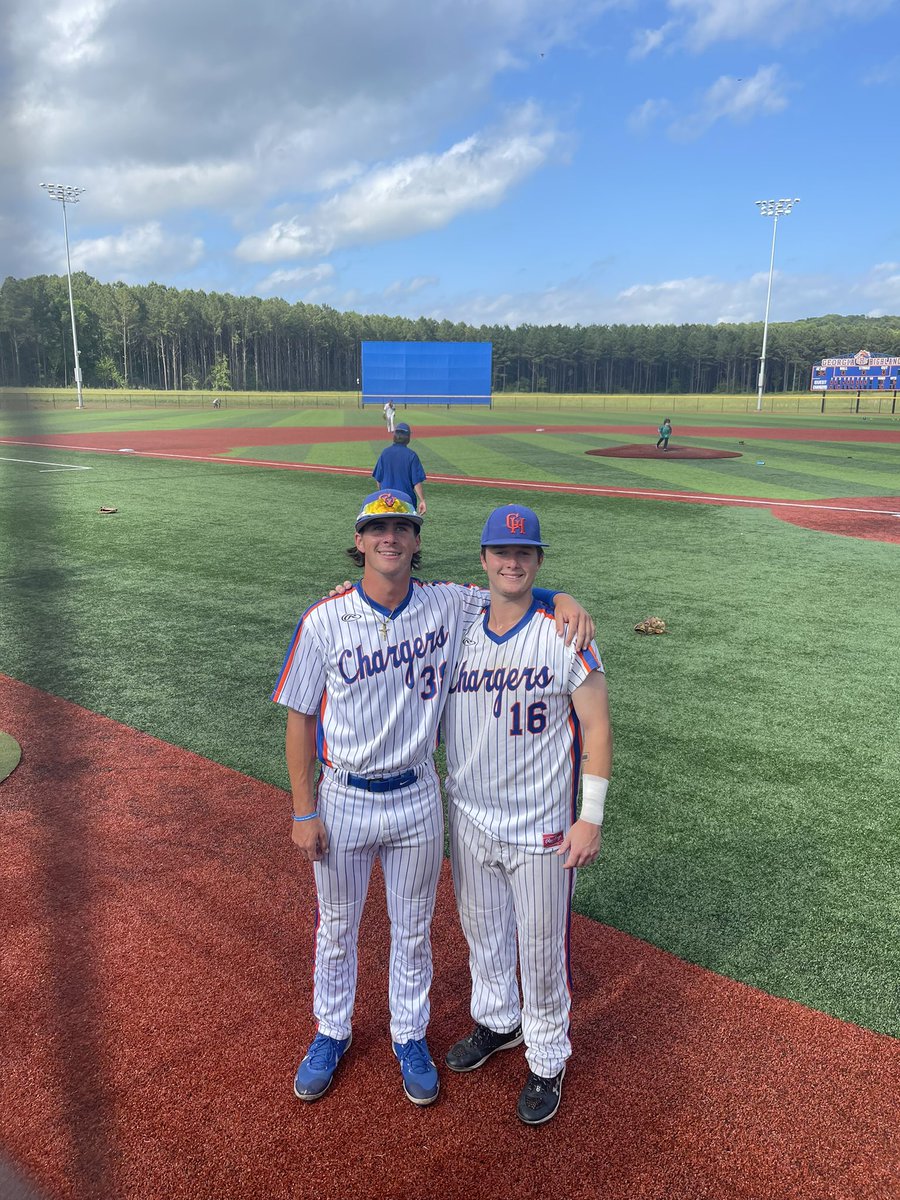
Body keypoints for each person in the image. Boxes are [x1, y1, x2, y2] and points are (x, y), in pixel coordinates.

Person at [271, 490, 594, 1109]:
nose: (390, 538)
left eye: (403, 528)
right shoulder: (324, 619)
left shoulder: (446, 604)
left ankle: (409, 1034)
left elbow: (514, 589)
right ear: (360, 541)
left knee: (413, 930)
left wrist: (562, 599)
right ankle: (331, 1031)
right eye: (378, 529)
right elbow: (299, 718)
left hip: (418, 795)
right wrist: (303, 809)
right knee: (337, 928)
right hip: (343, 796)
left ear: (417, 542)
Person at [442, 503, 613, 1126]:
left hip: (542, 826)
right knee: (482, 935)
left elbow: (596, 724)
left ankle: (547, 1055)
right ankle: (497, 1022)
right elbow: (402, 588)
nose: (512, 562)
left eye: (524, 553)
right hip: (469, 816)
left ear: (537, 560)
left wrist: (589, 816)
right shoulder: (457, 619)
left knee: (541, 951)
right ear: (483, 560)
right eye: (501, 552)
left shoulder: (564, 632)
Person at [373, 423, 427, 515]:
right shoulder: (411, 455)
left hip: (387, 500)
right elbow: (416, 482)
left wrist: (382, 495)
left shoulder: (385, 453)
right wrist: (422, 500)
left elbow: (379, 480)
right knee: (405, 528)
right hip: (406, 501)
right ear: (408, 437)